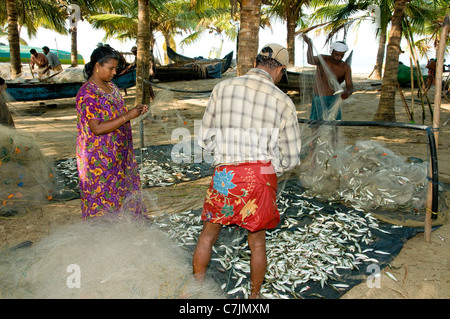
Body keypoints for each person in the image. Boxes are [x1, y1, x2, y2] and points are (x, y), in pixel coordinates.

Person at [193, 43, 302, 299]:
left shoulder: (223, 87)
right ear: (281, 70)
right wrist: (270, 166)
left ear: (255, 63)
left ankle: (196, 288)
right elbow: (292, 156)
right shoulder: (283, 101)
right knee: (257, 243)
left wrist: (225, 157)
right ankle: (253, 297)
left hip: (226, 175)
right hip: (261, 175)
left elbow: (204, 138)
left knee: (208, 235)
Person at [75, 46, 149, 220]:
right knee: (102, 198)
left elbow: (115, 114)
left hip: (119, 154)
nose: (114, 72)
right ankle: (103, 238)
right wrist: (128, 116)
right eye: (111, 68)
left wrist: (134, 110)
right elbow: (97, 128)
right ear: (97, 66)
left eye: (116, 68)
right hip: (99, 159)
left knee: (122, 192)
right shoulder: (87, 93)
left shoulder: (112, 87)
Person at [302, 34, 354, 121]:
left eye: (342, 55)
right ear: (331, 51)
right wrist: (310, 45)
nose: (339, 57)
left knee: (334, 124)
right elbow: (310, 60)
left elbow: (350, 85)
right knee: (316, 124)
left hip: (334, 99)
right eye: (336, 54)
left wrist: (348, 92)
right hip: (318, 97)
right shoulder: (323, 59)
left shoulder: (345, 67)